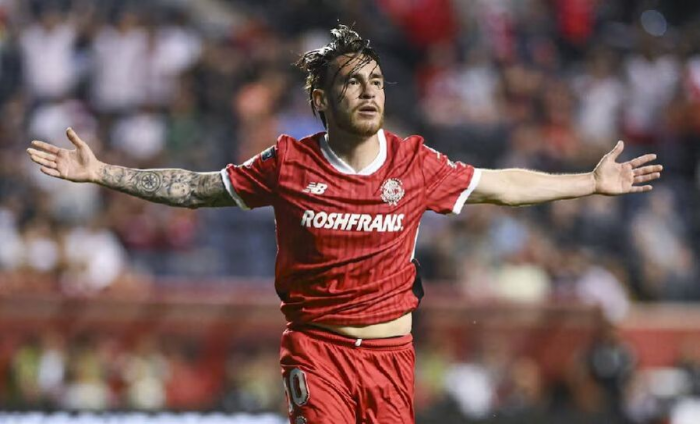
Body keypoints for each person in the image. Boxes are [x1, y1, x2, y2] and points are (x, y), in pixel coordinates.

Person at [27, 25, 662, 424]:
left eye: (376, 81)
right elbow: (196, 190)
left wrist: (589, 182)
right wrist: (103, 173)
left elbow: (504, 185)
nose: (368, 92)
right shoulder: (287, 162)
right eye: (352, 83)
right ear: (321, 101)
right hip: (318, 351)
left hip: (392, 358)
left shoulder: (416, 163)